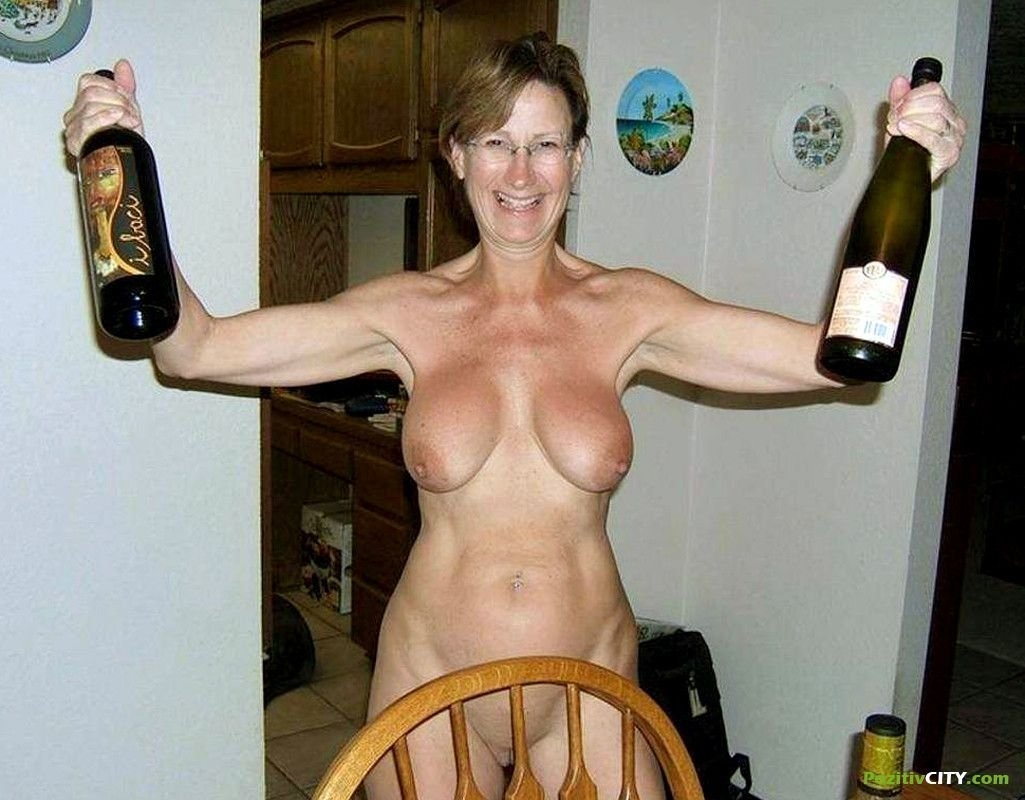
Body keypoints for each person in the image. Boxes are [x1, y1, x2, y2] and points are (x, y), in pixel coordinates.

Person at [63, 34, 966, 800]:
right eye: (496, 142)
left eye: (546, 144)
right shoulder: (403, 311)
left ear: (578, 158)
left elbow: (834, 356)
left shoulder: (632, 311)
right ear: (455, 155)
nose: (522, 173)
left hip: (591, 690)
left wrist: (912, 174)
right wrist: (117, 167)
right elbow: (193, 350)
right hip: (429, 689)